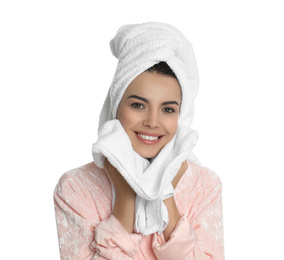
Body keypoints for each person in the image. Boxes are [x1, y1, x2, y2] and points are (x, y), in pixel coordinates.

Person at [54, 22, 225, 260]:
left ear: (181, 115)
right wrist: (125, 196)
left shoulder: (204, 185)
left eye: (167, 109)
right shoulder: (75, 188)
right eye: (138, 105)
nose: (153, 122)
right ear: (116, 107)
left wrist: (164, 191)